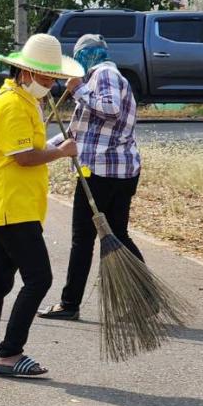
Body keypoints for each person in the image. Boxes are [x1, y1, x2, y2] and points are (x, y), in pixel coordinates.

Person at [0, 33, 81, 378]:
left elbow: (27, 148)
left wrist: (55, 147)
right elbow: (23, 157)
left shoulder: (23, 101)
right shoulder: (12, 105)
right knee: (39, 278)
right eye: (46, 77)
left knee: (0, 282)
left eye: (54, 78)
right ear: (25, 72)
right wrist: (61, 152)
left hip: (14, 204)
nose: (50, 84)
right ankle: (10, 353)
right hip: (11, 204)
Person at [39, 33, 142, 322]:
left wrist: (77, 90)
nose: (78, 63)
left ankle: (69, 303)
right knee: (117, 234)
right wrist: (43, 149)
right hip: (119, 171)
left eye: (80, 57)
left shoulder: (103, 74)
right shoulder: (101, 79)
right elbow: (79, 132)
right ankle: (143, 295)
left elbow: (109, 110)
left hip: (103, 172)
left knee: (83, 238)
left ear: (91, 55)